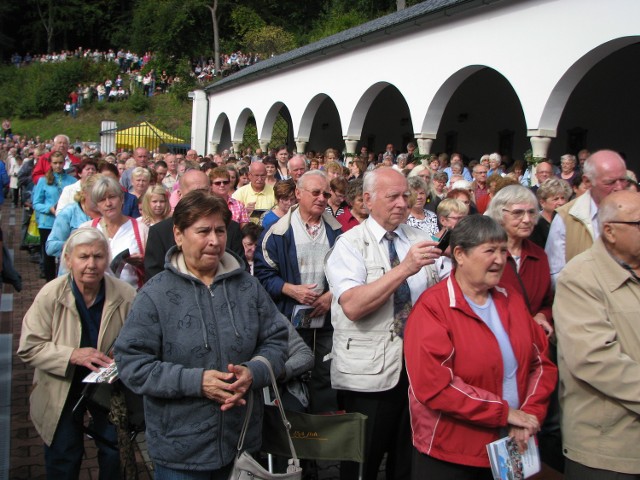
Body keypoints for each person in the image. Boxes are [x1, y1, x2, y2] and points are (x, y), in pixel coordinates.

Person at [114, 191, 288, 479]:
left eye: (220, 230)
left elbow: (277, 341)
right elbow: (132, 364)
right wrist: (197, 382)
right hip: (180, 453)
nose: (215, 240)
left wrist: (254, 371)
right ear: (179, 235)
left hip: (241, 445)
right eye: (203, 231)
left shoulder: (248, 287)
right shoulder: (155, 294)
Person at [404, 215, 557, 478]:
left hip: (514, 441)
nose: (499, 260)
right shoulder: (434, 307)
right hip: (453, 452)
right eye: (489, 251)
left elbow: (541, 362)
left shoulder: (511, 300)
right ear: (460, 255)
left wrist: (528, 415)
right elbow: (434, 385)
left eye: (502, 250)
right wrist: (505, 413)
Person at [325, 167, 441, 480]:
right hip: (369, 375)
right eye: (393, 197)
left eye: (406, 195)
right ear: (367, 200)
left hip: (418, 372)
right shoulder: (349, 244)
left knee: (407, 464)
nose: (403, 203)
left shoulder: (419, 240)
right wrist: (404, 269)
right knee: (362, 464)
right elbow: (352, 305)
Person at [18, 228, 136, 479]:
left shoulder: (124, 294)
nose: (91, 264)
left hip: (106, 385)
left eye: (98, 256)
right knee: (64, 453)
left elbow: (138, 340)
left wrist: (124, 354)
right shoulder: (51, 294)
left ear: (107, 258)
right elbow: (29, 347)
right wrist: (72, 355)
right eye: (83, 257)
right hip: (60, 385)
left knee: (114, 451)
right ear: (68, 260)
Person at [553, 190, 640, 479]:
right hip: (610, 448)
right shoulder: (581, 277)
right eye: (639, 223)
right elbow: (594, 360)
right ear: (610, 231)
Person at [255, 170, 342, 414]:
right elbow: (261, 276)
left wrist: (330, 295)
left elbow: (349, 273)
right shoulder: (277, 233)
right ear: (298, 193)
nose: (322, 198)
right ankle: (293, 435)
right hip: (288, 320)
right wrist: (289, 289)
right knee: (291, 374)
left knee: (324, 375)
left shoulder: (338, 232)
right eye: (315, 193)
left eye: (326, 193)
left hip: (325, 322)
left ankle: (323, 437)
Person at [144, 169, 245, 280]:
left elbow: (240, 271)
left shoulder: (231, 227)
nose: (214, 240)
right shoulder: (160, 232)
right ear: (180, 194)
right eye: (196, 192)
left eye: (205, 191)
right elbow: (154, 276)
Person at [546, 150, 627, 285]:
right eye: (610, 182)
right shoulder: (567, 217)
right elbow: (555, 272)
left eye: (623, 180)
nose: (619, 187)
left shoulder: (635, 212)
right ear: (587, 181)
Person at [82, 175, 148, 289]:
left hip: (131, 297)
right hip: (96, 296)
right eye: (102, 199)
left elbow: (153, 268)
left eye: (112, 197)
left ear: (122, 199)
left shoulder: (140, 229)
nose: (108, 203)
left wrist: (142, 263)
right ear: (97, 205)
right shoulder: (87, 230)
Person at [33, 151, 77, 281]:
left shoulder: (72, 181)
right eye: (55, 163)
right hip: (48, 223)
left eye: (60, 163)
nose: (58, 166)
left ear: (64, 163)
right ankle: (50, 283)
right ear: (50, 164)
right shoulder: (43, 181)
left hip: (66, 224)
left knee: (67, 253)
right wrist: (50, 208)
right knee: (48, 255)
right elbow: (36, 203)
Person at [46, 175, 101, 261]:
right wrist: (76, 246)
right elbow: (50, 247)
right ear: (84, 193)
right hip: (72, 270)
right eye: (96, 195)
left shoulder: (109, 213)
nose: (101, 200)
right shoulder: (69, 213)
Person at [530, 178, 572, 249]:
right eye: (556, 199)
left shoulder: (569, 221)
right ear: (542, 202)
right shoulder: (535, 225)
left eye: (563, 198)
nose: (561, 202)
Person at [432, 198, 469, 280]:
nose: (462, 222)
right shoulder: (430, 243)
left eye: (464, 218)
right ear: (443, 220)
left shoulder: (469, 241)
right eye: (458, 218)